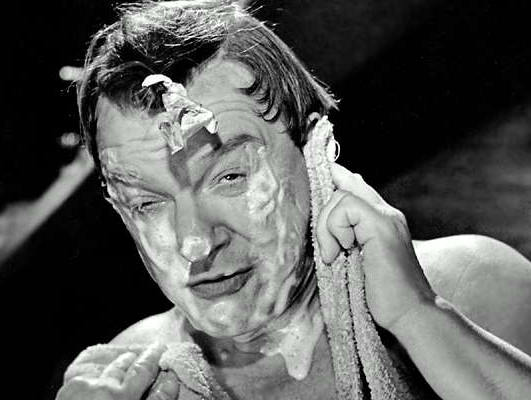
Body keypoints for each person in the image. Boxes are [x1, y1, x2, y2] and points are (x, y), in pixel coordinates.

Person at [57, 1, 531, 399]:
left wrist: (419, 316)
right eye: (146, 203)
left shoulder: (474, 284)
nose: (195, 242)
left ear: (314, 153)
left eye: (230, 177)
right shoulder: (129, 377)